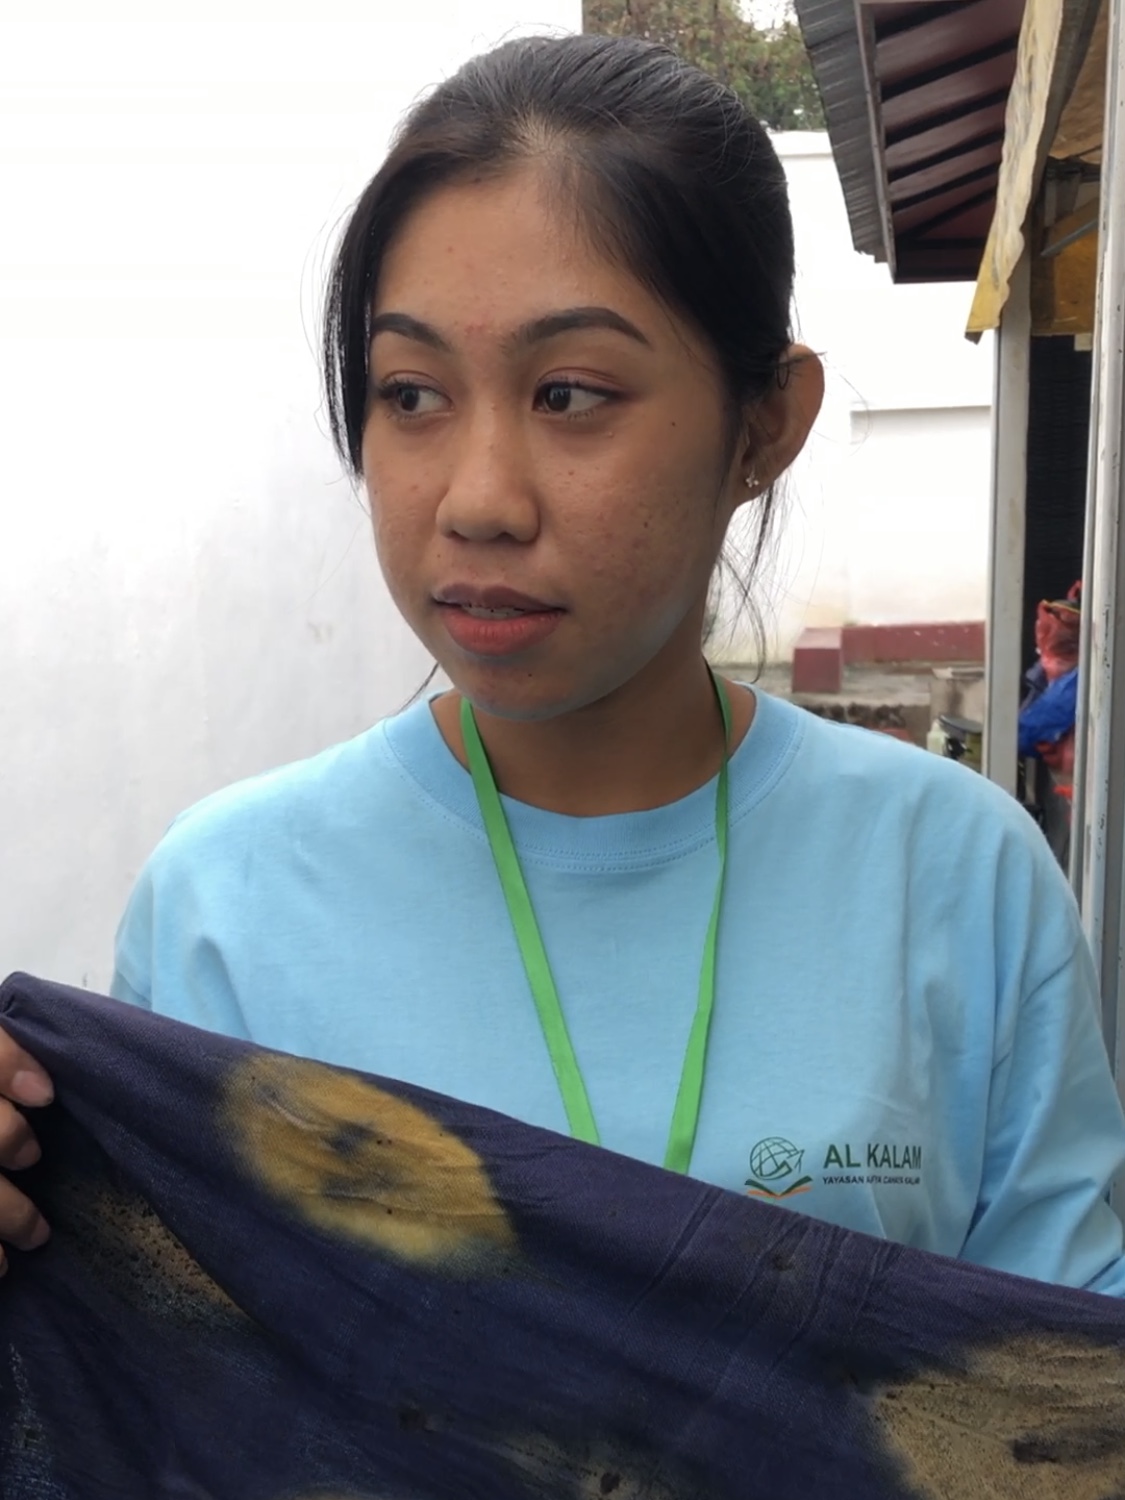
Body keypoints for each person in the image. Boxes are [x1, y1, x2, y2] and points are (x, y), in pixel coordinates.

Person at [1, 34, 1123, 1294]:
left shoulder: (955, 880)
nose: (479, 500)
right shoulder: (223, 907)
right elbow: (158, 1366)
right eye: (411, 394)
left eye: (572, 394)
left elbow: (1062, 1380)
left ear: (764, 426)